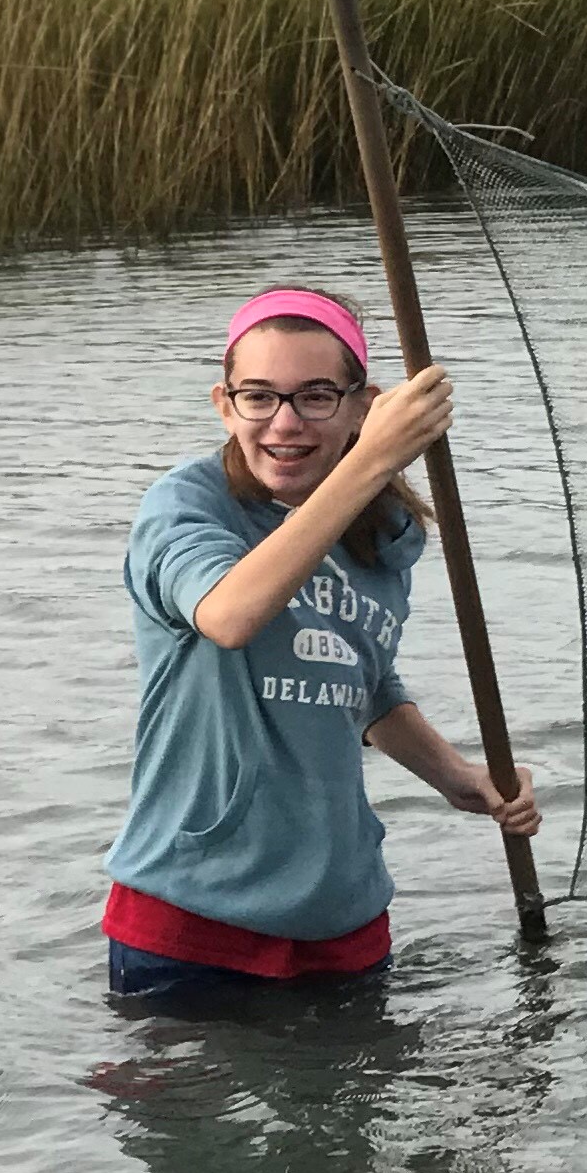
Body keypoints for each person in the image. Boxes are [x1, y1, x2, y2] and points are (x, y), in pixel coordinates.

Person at [106, 287, 540, 1002]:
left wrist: (463, 780)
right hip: (191, 920)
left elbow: (365, 685)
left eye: (315, 396)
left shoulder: (385, 533)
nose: (285, 424)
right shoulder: (186, 507)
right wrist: (368, 463)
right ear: (224, 402)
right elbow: (231, 614)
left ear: (361, 405)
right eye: (259, 396)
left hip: (345, 919)